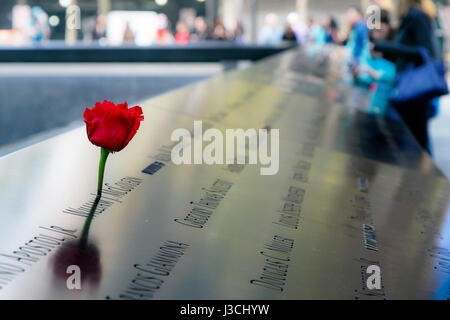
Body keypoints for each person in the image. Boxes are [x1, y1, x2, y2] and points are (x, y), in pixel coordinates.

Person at [373, 0, 442, 153]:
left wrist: (384, 47)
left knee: (417, 144)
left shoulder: (417, 16)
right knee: (413, 142)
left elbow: (424, 53)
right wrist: (384, 53)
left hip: (415, 92)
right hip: (409, 90)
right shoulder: (410, 17)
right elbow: (406, 57)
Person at [351, 10, 396, 116]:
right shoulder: (367, 46)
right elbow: (359, 77)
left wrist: (372, 73)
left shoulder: (393, 48)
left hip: (383, 103)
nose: (376, 34)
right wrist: (356, 75)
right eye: (374, 30)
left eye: (380, 30)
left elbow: (394, 77)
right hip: (363, 102)